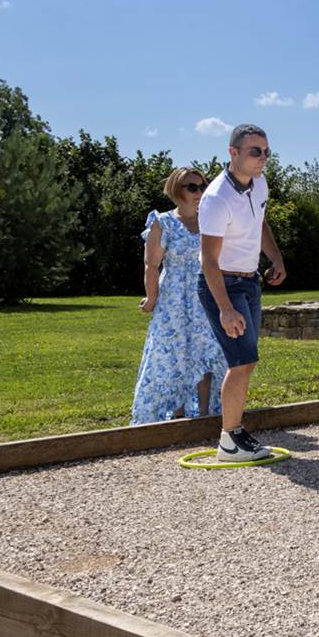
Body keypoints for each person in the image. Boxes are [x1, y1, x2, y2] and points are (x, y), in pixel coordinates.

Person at [198, 123, 287, 460]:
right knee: (242, 360)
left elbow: (259, 222)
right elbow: (208, 261)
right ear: (232, 152)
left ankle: (235, 433)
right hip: (223, 284)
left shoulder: (259, 184)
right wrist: (224, 308)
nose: (262, 157)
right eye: (255, 151)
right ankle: (228, 442)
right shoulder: (217, 198)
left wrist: (275, 255)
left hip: (249, 281)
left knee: (246, 362)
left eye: (266, 151)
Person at [130, 168, 228, 424]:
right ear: (177, 190)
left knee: (206, 353)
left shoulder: (211, 222)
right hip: (173, 300)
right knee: (175, 355)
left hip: (206, 296)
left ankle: (204, 417)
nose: (199, 192)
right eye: (192, 187)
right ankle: (178, 417)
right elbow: (151, 265)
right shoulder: (162, 222)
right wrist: (152, 298)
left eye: (202, 186)